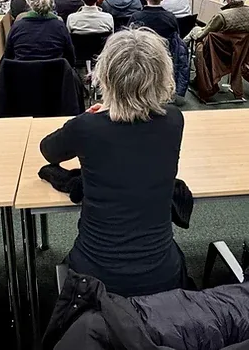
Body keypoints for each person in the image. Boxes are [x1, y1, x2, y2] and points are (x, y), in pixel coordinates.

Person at [40, 28, 186, 297]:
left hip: (94, 277)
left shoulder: (87, 127)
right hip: (163, 275)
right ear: (163, 75)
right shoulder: (174, 119)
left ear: (105, 76)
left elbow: (48, 151)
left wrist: (85, 118)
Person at [4, 0, 75, 65]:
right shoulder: (60, 26)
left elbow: (8, 58)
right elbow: (70, 59)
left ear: (28, 2)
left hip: (22, 76)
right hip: (55, 76)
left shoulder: (17, 27)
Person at [185, 0, 249, 43]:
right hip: (243, 53)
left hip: (219, 53)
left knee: (195, 30)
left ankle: (179, 53)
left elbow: (201, 36)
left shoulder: (222, 16)